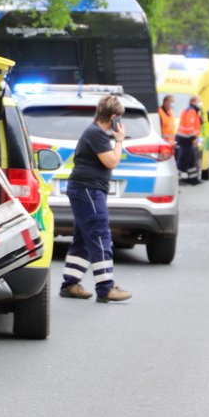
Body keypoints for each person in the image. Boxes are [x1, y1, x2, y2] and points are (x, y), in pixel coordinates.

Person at [58, 94, 132, 303]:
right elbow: (111, 161)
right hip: (88, 190)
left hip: (86, 190)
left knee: (82, 239)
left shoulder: (95, 132)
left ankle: (70, 284)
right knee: (100, 235)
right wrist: (119, 140)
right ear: (115, 117)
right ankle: (106, 287)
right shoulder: (96, 134)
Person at [175, 95, 203, 184]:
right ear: (193, 102)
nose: (200, 103)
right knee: (183, 160)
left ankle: (193, 179)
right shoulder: (191, 111)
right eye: (199, 101)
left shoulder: (193, 111)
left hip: (187, 138)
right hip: (185, 139)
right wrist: (193, 138)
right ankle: (178, 179)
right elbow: (189, 126)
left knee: (191, 160)